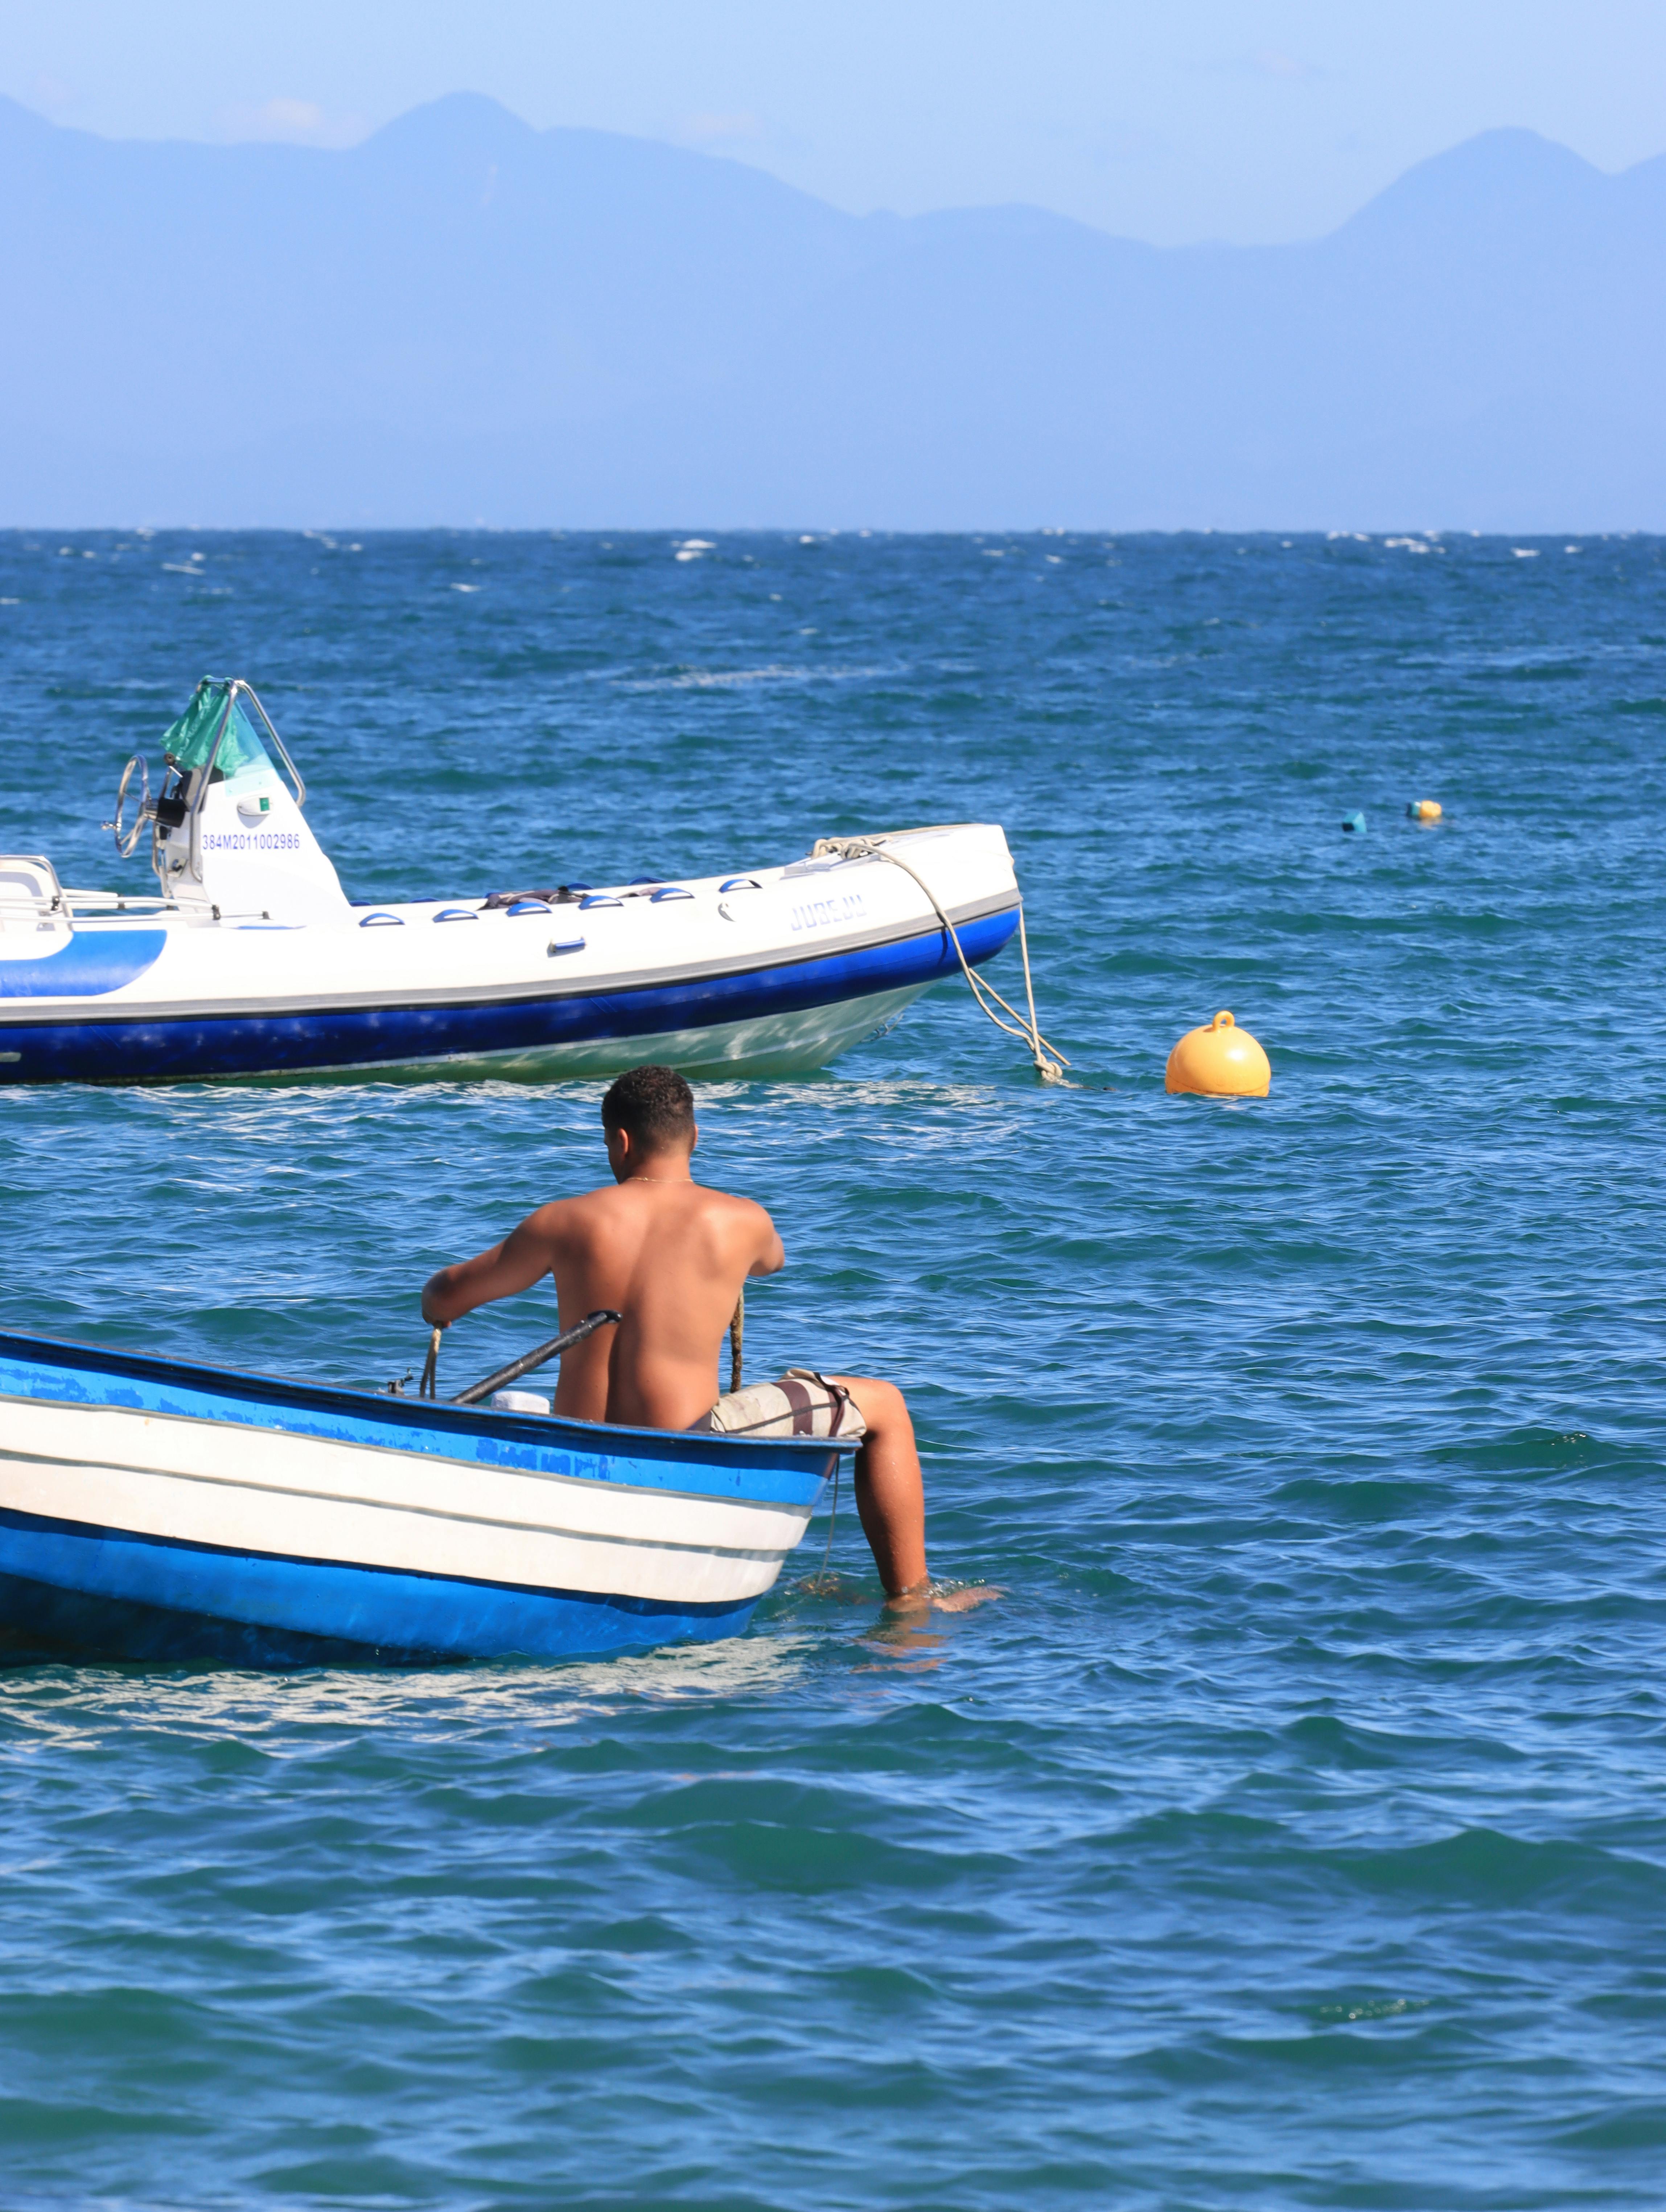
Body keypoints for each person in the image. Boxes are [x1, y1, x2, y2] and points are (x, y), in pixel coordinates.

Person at [420, 1064, 991, 1611]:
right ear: (694, 1135)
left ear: (619, 1142)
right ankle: (913, 1603)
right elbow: (773, 1261)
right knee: (885, 1403)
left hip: (581, 1445)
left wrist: (437, 1298)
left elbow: (443, 1298)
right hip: (687, 1444)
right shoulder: (742, 1221)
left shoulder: (562, 1221)